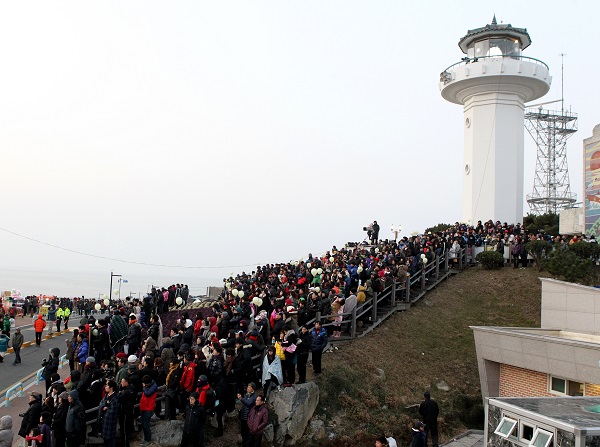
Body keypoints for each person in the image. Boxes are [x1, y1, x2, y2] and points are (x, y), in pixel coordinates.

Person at [97, 380, 119, 447]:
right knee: (106, 440)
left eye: (107, 385)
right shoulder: (106, 395)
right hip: (104, 422)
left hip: (110, 423)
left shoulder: (115, 398)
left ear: (111, 387)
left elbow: (112, 412)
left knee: (110, 441)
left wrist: (105, 409)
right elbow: (101, 404)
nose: (105, 387)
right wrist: (104, 407)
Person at [140, 375, 158, 446]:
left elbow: (147, 394)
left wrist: (144, 387)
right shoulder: (149, 386)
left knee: (146, 424)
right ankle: (146, 439)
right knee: (143, 423)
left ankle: (148, 440)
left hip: (149, 408)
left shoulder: (154, 386)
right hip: (144, 406)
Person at [238, 382, 257, 447]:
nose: (247, 388)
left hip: (248, 419)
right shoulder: (246, 395)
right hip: (243, 417)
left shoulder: (254, 397)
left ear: (253, 389)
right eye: (247, 387)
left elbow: (248, 403)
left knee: (248, 434)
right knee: (243, 433)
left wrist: (241, 399)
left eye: (249, 387)